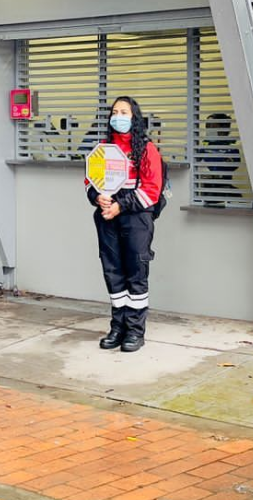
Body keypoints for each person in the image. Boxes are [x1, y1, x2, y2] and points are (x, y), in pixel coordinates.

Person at [85, 96, 163, 353]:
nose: (118, 116)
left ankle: (135, 331)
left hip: (136, 217)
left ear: (134, 117)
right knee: (113, 272)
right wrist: (98, 198)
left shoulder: (146, 149)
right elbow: (89, 182)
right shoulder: (102, 148)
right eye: (115, 112)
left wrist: (121, 205)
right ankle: (117, 328)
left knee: (135, 274)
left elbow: (152, 190)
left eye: (124, 112)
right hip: (107, 216)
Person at [198, 113, 241, 207]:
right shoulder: (202, 148)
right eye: (207, 126)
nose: (209, 129)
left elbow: (223, 169)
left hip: (223, 192)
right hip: (206, 193)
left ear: (223, 130)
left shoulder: (231, 150)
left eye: (213, 126)